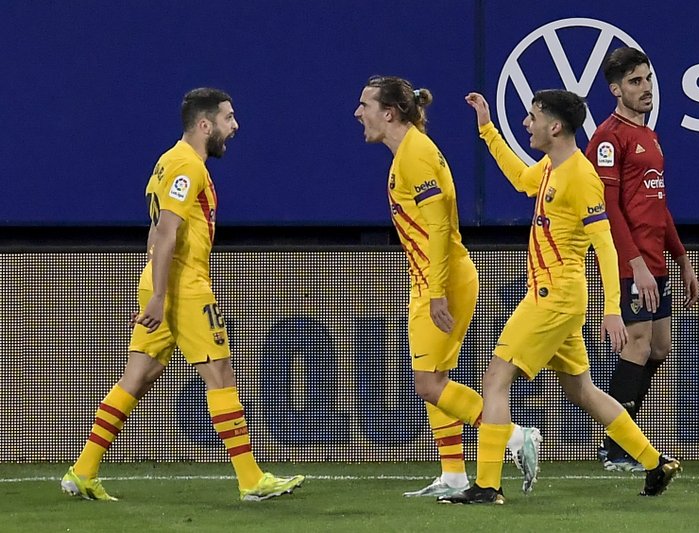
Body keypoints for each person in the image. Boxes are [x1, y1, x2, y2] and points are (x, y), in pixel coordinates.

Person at [438, 89, 681, 505]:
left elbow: (605, 244)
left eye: (532, 117)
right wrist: (486, 131)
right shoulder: (553, 165)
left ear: (555, 126)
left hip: (554, 297)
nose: (526, 124)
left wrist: (612, 311)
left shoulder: (582, 176)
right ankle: (655, 463)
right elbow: (520, 180)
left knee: (495, 379)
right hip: (555, 296)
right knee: (583, 391)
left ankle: (488, 485)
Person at [61, 88, 305, 502]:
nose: (235, 126)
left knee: (138, 375)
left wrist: (154, 288)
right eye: (228, 118)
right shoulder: (187, 166)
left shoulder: (167, 162)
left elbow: (155, 230)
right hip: (182, 286)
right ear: (205, 124)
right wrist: (160, 295)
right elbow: (169, 229)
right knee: (221, 374)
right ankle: (250, 480)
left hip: (162, 283)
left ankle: (82, 471)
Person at [354, 75, 542, 497]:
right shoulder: (409, 151)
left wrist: (436, 291)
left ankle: (513, 437)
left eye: (364, 105)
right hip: (433, 278)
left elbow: (439, 227)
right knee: (435, 377)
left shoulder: (415, 154)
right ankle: (454, 474)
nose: (357, 113)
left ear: (389, 113)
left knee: (428, 383)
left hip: (442, 279)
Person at [586, 47, 699, 472]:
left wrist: (682, 258)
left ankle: (622, 434)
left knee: (659, 347)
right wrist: (633, 264)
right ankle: (617, 446)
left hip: (656, 261)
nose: (646, 87)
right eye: (635, 82)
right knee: (635, 345)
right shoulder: (607, 138)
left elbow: (658, 202)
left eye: (648, 78)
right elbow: (608, 209)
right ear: (616, 90)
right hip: (630, 263)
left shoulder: (649, 135)